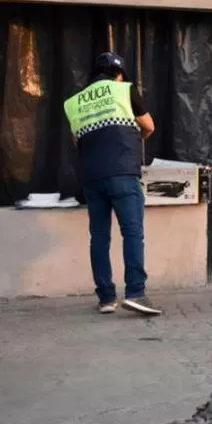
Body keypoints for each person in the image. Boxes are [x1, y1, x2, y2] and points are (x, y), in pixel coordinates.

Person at [63, 51, 161, 316]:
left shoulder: (74, 102)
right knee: (132, 233)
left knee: (99, 237)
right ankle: (136, 294)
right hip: (123, 173)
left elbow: (77, 140)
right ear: (118, 74)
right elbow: (149, 126)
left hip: (92, 177)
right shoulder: (124, 90)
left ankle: (106, 299)